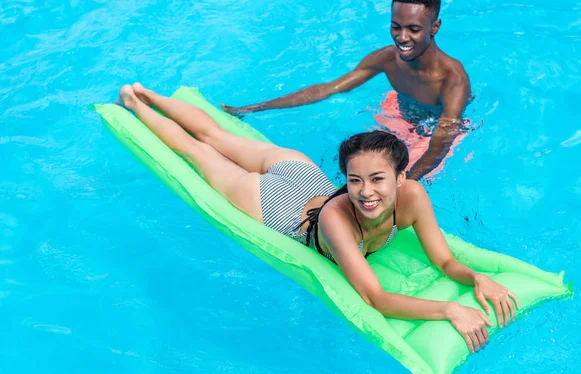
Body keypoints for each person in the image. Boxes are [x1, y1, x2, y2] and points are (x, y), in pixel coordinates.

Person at [117, 83, 518, 353]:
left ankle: (146, 93)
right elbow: (375, 298)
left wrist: (477, 277)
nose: (366, 191)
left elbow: (444, 261)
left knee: (220, 139)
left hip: (305, 174)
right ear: (346, 179)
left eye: (378, 179)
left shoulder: (412, 196)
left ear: (401, 176)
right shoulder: (337, 220)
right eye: (356, 180)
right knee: (202, 149)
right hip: (276, 204)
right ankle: (136, 102)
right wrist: (448, 309)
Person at [221, 0, 471, 181]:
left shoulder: (452, 80)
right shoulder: (387, 59)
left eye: (414, 29)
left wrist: (403, 185)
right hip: (399, 113)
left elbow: (439, 147)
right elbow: (328, 89)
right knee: (350, 168)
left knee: (393, 181)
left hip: (438, 133)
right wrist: (255, 108)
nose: (402, 37)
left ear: (434, 27)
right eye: (396, 26)